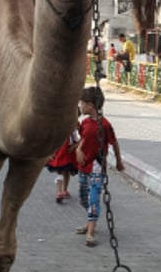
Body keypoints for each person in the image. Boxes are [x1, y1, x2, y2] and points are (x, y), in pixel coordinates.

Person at [74, 87, 124, 247]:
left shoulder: (105, 125)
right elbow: (82, 138)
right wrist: (78, 149)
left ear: (91, 105)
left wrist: (118, 161)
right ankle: (90, 221)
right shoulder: (85, 123)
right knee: (83, 197)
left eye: (82, 103)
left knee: (94, 198)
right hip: (84, 165)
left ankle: (90, 232)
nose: (80, 106)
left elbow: (114, 143)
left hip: (96, 165)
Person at [45, 125, 79, 204]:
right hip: (64, 149)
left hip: (64, 149)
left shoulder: (69, 125)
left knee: (63, 170)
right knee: (63, 170)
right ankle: (61, 190)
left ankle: (63, 190)